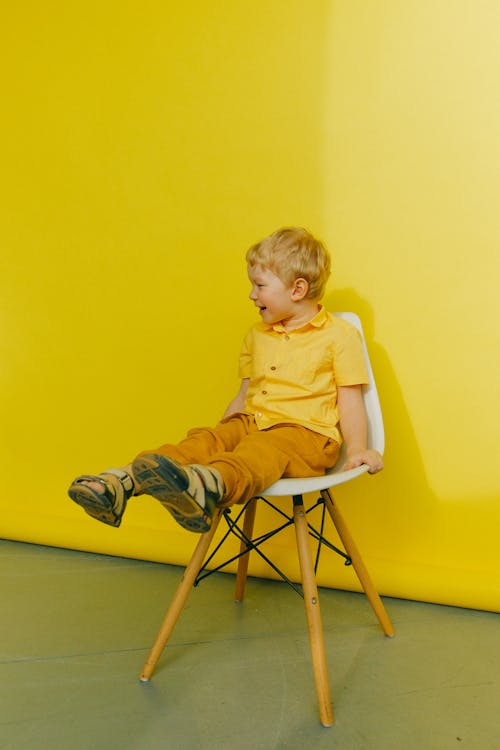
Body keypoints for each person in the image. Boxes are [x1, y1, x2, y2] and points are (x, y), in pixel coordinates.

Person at [68, 227, 383, 533]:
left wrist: (357, 449)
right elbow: (245, 394)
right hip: (253, 420)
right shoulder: (257, 335)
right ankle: (121, 483)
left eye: (259, 286)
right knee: (206, 440)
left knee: (261, 447)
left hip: (304, 435)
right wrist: (224, 433)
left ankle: (206, 486)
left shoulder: (339, 336)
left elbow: (350, 399)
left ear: (297, 290)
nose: (251, 294)